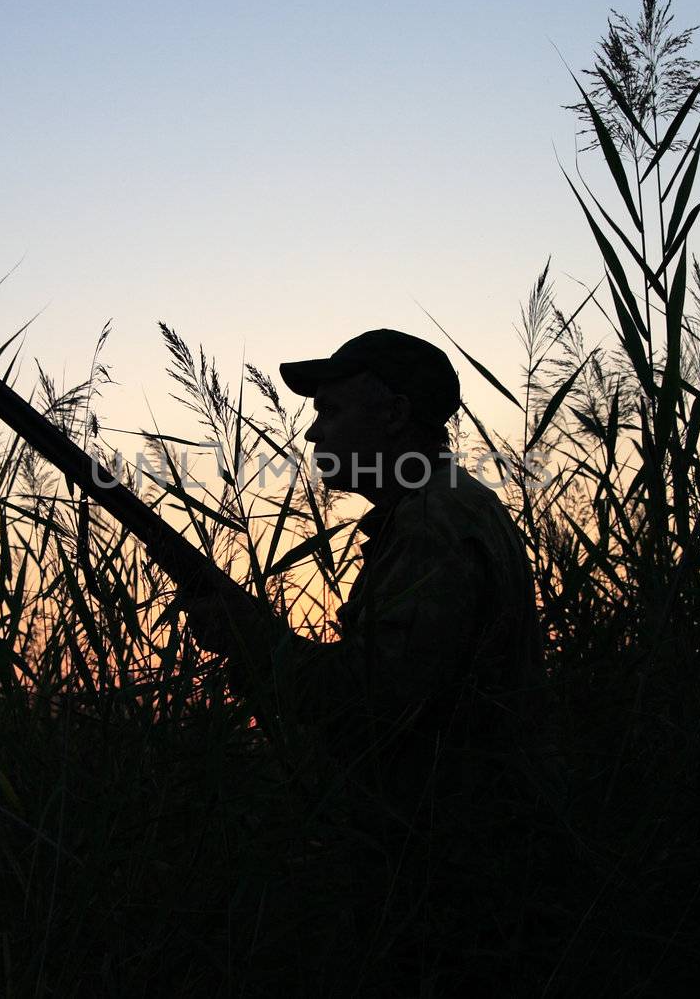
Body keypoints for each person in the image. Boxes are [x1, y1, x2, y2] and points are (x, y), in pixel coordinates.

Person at [185, 329, 567, 991]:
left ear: (391, 415)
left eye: (330, 412)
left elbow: (379, 700)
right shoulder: (451, 505)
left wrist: (259, 643)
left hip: (454, 880)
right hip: (480, 862)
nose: (312, 435)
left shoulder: (430, 521)